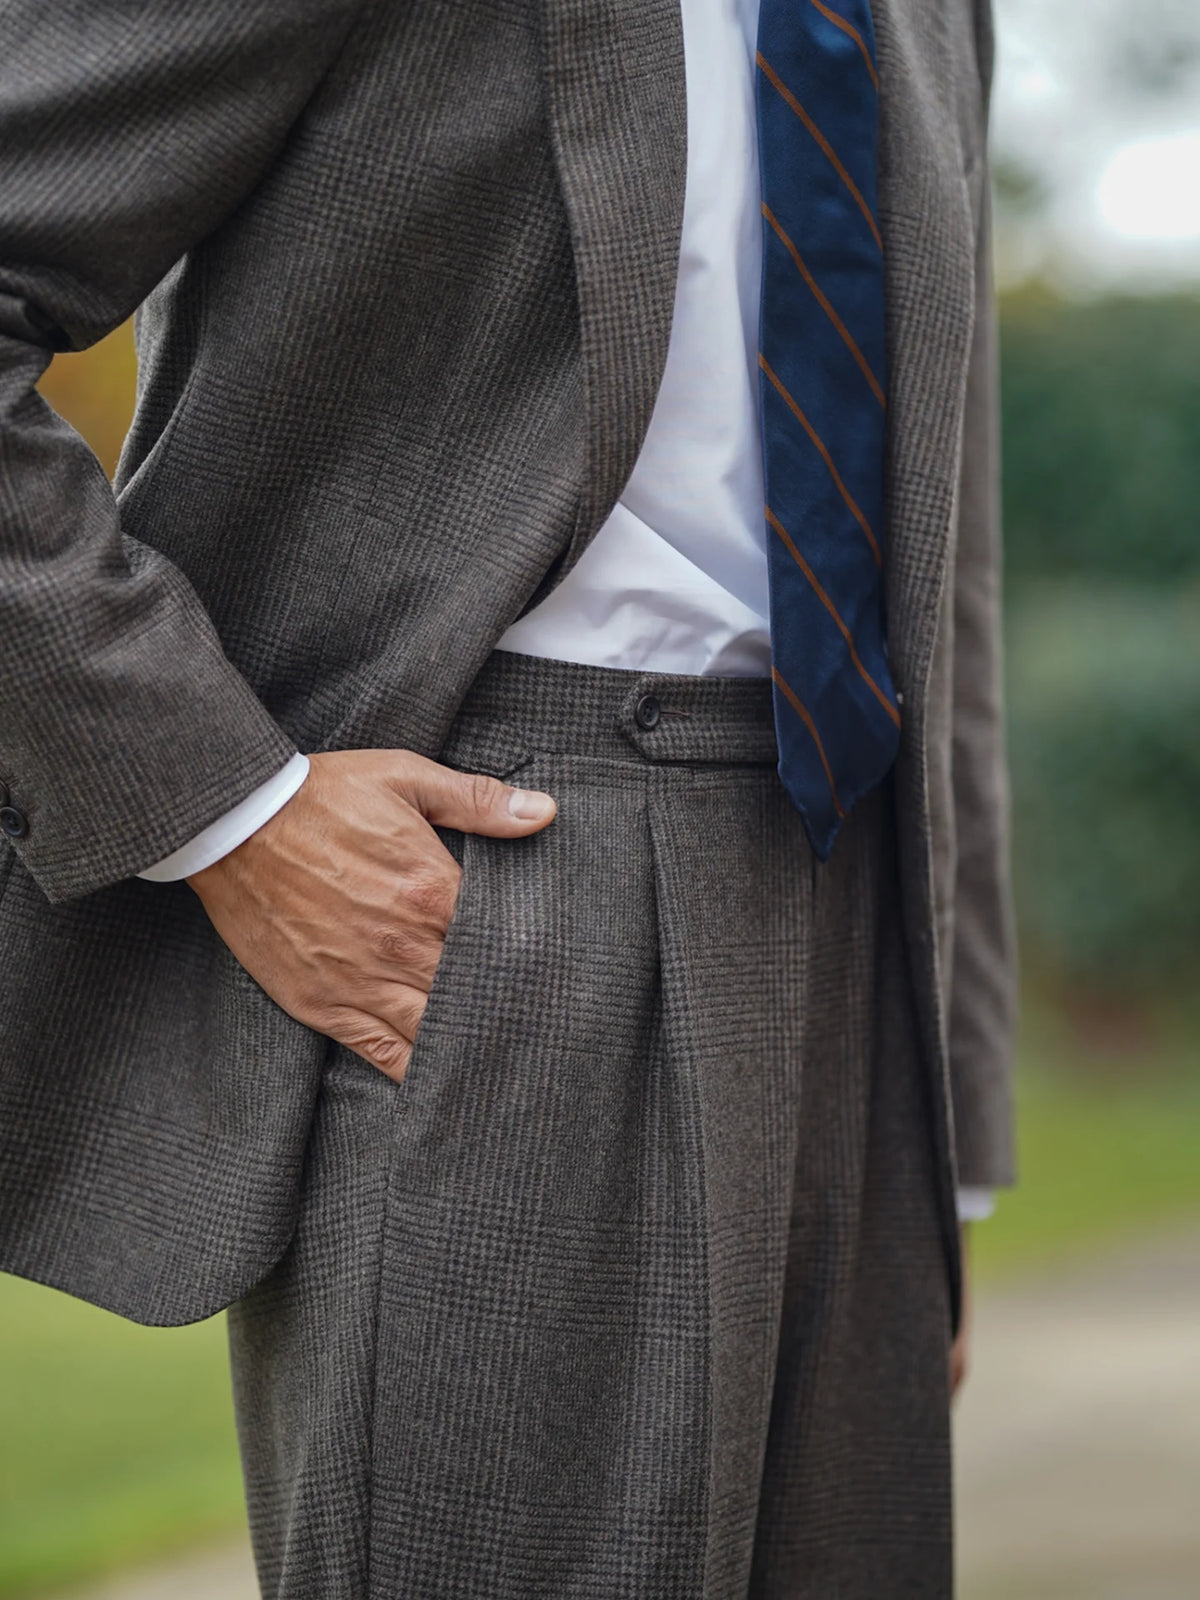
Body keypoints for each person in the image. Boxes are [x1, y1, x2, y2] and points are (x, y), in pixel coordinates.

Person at [0, 0, 1014, 1593]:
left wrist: (947, 1120)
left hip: (859, 923)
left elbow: (940, 515)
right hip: (500, 888)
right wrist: (227, 803)